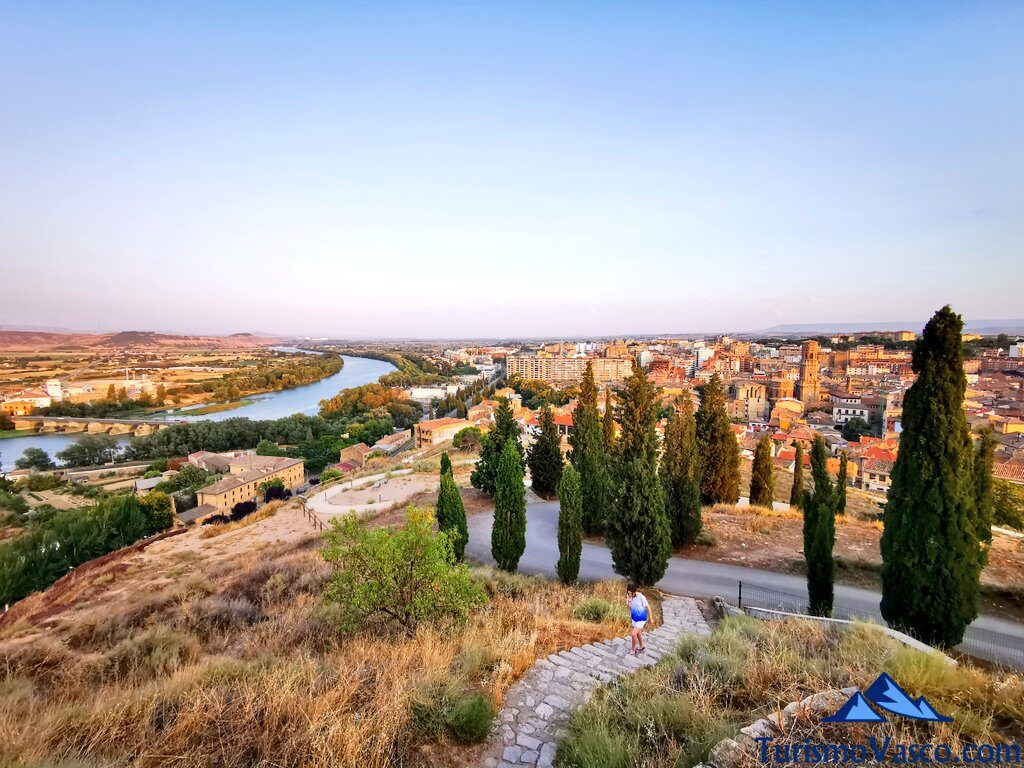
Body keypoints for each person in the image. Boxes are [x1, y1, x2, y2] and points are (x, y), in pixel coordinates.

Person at [626, 583, 649, 655]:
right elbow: (628, 606)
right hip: (634, 618)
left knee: (633, 634)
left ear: (634, 591)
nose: (630, 594)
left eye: (631, 593)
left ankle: (633, 650)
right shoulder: (629, 596)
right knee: (638, 633)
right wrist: (629, 600)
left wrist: (651, 618)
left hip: (642, 618)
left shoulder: (641, 597)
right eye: (628, 593)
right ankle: (642, 646)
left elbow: (648, 607)